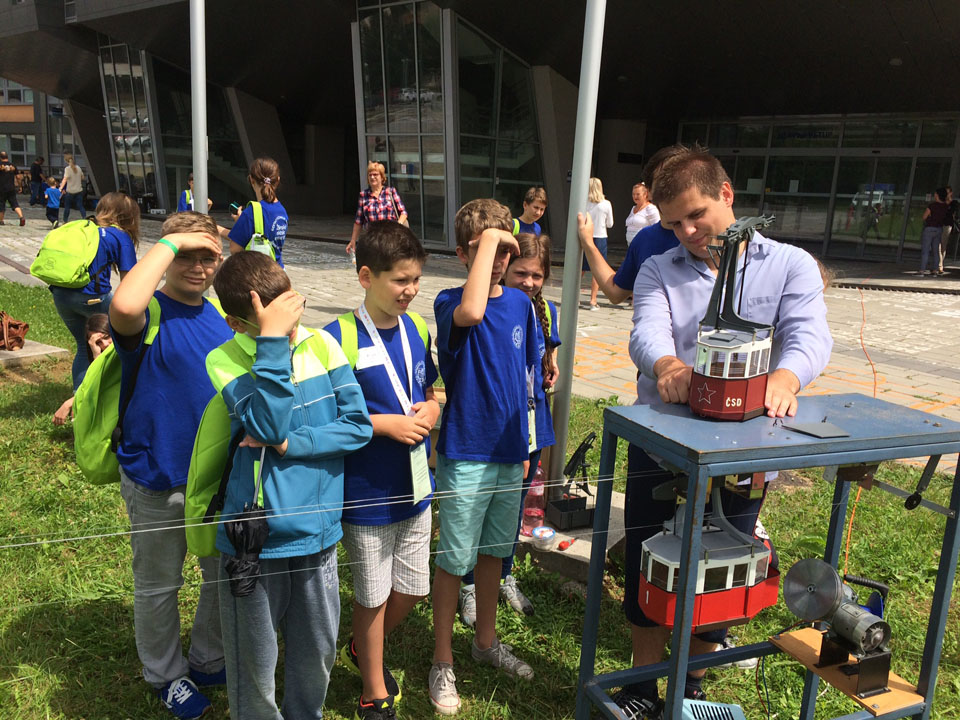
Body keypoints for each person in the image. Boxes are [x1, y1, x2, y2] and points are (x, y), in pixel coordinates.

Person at [612, 147, 832, 718]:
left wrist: (786, 376)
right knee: (646, 558)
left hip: (745, 448)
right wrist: (667, 366)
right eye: (673, 223)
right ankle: (641, 685)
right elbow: (646, 332)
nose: (688, 232)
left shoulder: (789, 265)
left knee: (722, 565)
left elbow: (810, 335)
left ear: (727, 195)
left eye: (696, 215)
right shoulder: (659, 268)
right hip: (661, 440)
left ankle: (692, 684)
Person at [207, 252, 372, 719]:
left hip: (318, 535)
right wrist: (273, 345)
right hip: (255, 541)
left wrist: (290, 445)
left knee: (316, 653)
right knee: (254, 663)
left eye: (293, 313)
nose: (292, 328)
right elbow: (267, 421)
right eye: (277, 321)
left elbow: (357, 427)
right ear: (237, 324)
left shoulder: (324, 345)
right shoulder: (223, 359)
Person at [109, 211, 233, 719]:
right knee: (160, 585)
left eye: (209, 257)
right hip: (158, 474)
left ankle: (208, 657)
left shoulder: (218, 315)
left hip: (213, 479)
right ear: (166, 254)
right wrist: (172, 243)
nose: (199, 267)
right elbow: (123, 304)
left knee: (221, 574)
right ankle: (164, 673)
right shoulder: (149, 313)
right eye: (187, 256)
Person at [323, 221, 439, 720]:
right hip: (366, 491)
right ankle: (373, 688)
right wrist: (383, 425)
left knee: (413, 587)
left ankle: (360, 646)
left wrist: (433, 408)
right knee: (371, 594)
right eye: (400, 280)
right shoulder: (336, 338)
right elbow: (325, 418)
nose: (410, 290)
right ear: (366, 276)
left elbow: (429, 389)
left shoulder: (417, 328)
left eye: (416, 280)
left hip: (415, 486)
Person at [430, 198, 539, 715]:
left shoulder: (520, 304)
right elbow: (473, 313)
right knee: (455, 559)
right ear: (462, 254)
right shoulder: (450, 301)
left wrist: (526, 445)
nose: (497, 260)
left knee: (495, 552)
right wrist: (496, 237)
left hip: (508, 450)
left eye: (504, 251)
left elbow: (527, 379)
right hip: (467, 452)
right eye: (483, 249)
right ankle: (442, 659)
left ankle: (485, 641)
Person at [458, 231, 560, 627]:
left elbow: (546, 356)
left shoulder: (544, 309)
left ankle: (503, 575)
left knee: (512, 507)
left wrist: (548, 368)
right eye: (522, 273)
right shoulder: (483, 306)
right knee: (478, 511)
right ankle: (468, 583)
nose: (529, 282)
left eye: (537, 275)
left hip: (531, 425)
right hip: (495, 429)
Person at [49, 191, 139, 389]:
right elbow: (130, 284)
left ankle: (79, 397)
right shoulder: (120, 236)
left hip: (61, 294)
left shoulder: (84, 227)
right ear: (128, 215)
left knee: (84, 346)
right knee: (125, 341)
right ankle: (119, 391)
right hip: (92, 299)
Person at [578, 146, 685, 306]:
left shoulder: (706, 239)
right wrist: (588, 244)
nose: (671, 190)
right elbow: (615, 292)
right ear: (650, 192)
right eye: (664, 183)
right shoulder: (645, 239)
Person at [223, 157, 289, 266]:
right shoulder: (282, 210)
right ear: (277, 180)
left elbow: (234, 249)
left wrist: (243, 221)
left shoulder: (251, 212)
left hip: (257, 272)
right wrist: (241, 222)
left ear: (251, 179)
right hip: (277, 271)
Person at [52, 313, 111, 425]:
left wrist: (69, 403)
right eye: (98, 342)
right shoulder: (103, 357)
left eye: (107, 337)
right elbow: (95, 384)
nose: (105, 344)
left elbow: (105, 386)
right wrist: (96, 355)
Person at [346, 162, 408, 257]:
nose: (372, 177)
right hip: (372, 240)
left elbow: (403, 212)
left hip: (390, 238)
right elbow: (358, 221)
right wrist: (353, 240)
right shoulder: (363, 195)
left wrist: (397, 225)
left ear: (382, 177)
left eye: (375, 175)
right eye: (370, 175)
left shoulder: (390, 192)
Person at [582, 177, 614, 310]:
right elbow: (610, 224)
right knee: (597, 269)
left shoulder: (583, 203)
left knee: (581, 269)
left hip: (586, 236)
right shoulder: (606, 204)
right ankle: (593, 300)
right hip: (600, 236)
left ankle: (573, 297)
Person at [920, 187, 949, 277]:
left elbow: (924, 217)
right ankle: (935, 270)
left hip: (929, 228)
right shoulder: (945, 206)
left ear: (937, 195)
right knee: (936, 251)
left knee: (925, 250)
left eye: (935, 194)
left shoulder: (932, 205)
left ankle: (922, 270)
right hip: (939, 229)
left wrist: (930, 217)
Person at [623, 182, 660, 246]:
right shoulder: (633, 208)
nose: (635, 196)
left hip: (644, 245)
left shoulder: (650, 208)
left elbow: (657, 228)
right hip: (631, 245)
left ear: (645, 194)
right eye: (633, 194)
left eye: (638, 194)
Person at [0, 151, 25, 226]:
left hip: (1, 188)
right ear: (7, 157)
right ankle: (21, 217)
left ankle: (1, 220)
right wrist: (20, 186)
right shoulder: (13, 165)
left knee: (1, 204)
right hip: (11, 188)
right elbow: (18, 177)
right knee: (15, 203)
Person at [59, 154, 85, 224]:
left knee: (67, 207)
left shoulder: (67, 169)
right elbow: (83, 177)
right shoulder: (78, 167)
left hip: (70, 191)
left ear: (66, 161)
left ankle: (65, 221)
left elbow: (65, 179)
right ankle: (84, 217)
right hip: (79, 190)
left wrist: (60, 188)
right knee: (80, 206)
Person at [939, 186, 954, 274]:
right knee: (938, 245)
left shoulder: (953, 204)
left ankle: (940, 264)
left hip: (947, 225)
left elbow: (951, 213)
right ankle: (939, 265)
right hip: (939, 224)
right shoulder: (941, 202)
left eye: (947, 192)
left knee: (943, 245)